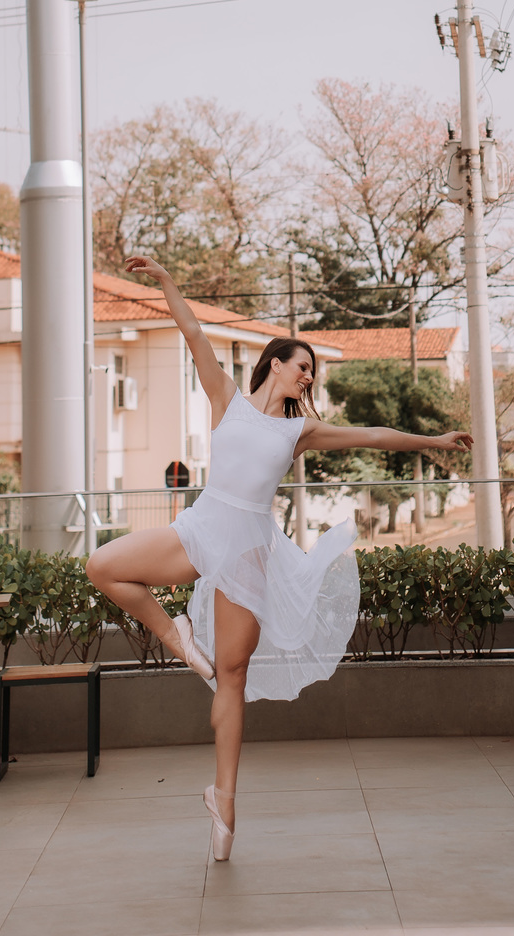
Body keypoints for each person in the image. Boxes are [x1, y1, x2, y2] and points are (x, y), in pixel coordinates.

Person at [86, 257, 473, 860]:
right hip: (200, 529)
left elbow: (373, 435)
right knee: (102, 566)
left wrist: (434, 441)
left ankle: (224, 802)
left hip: (248, 554)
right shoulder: (227, 399)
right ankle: (176, 634)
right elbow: (193, 334)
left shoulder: (299, 432)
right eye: (302, 367)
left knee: (232, 677)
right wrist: (166, 281)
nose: (308, 378)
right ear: (275, 363)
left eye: (312, 373)